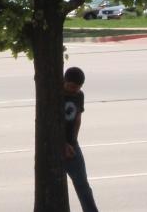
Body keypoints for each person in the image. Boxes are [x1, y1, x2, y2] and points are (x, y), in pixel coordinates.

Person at [64, 65, 100, 212]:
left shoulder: (79, 95)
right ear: (64, 82)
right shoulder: (54, 94)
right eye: (72, 87)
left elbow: (78, 118)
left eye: (78, 87)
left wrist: (73, 141)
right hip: (54, 145)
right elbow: (51, 123)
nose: (74, 90)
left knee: (82, 184)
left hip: (72, 145)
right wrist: (63, 144)